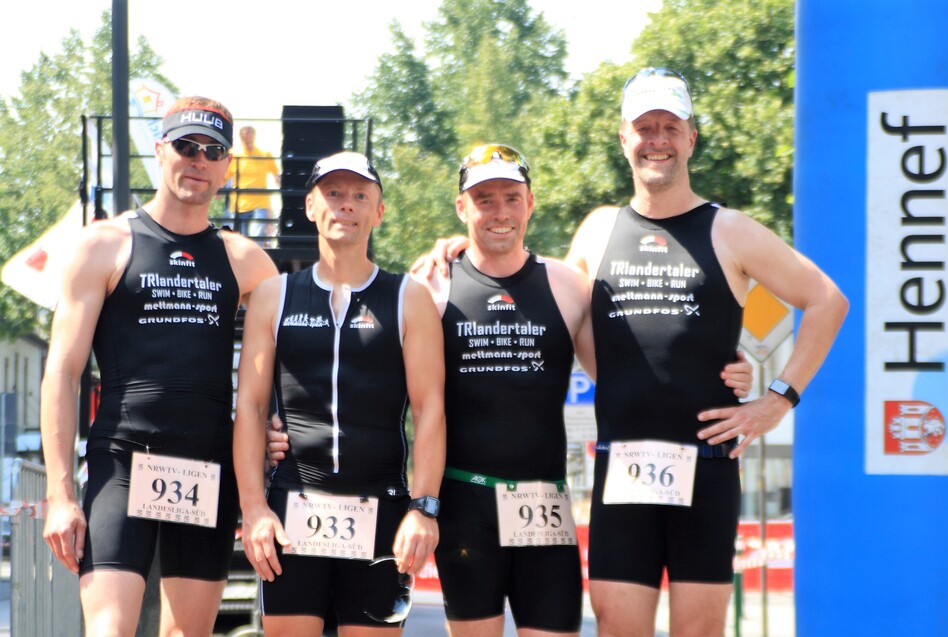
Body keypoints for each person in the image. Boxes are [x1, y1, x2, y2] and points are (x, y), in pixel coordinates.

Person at [269, 144, 755, 636]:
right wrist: (281, 423)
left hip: (545, 511)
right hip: (465, 510)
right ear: (462, 208)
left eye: (510, 198)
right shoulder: (430, 285)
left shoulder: (569, 286)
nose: (498, 212)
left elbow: (636, 363)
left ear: (530, 203)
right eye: (483, 200)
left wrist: (726, 370)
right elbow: (361, 371)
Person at [563, 68, 849, 637]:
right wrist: (462, 251)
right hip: (621, 472)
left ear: (691, 138)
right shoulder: (597, 231)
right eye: (645, 127)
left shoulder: (731, 230)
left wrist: (777, 399)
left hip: (708, 472)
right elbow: (549, 303)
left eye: (671, 126)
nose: (658, 139)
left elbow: (826, 300)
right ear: (624, 138)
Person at [40, 96, 279, 636]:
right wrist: (59, 494)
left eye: (212, 150)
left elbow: (304, 341)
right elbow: (61, 371)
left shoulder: (246, 261)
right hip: (124, 461)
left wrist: (277, 427)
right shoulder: (103, 245)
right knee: (109, 630)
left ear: (226, 166)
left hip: (206, 467)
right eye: (186, 146)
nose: (198, 159)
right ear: (160, 150)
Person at [233, 151, 446, 636]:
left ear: (378, 211)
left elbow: (431, 409)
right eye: (333, 193)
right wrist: (254, 508)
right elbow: (249, 407)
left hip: (381, 509)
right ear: (310, 205)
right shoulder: (275, 295)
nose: (345, 205)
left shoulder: (407, 297)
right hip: (293, 507)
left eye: (359, 195)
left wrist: (423, 507)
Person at [226, 125, 280, 239]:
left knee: (256, 238)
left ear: (254, 137)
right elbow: (223, 177)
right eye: (246, 141)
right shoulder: (233, 155)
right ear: (241, 138)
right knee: (239, 240)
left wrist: (282, 183)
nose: (248, 143)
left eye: (250, 140)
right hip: (239, 204)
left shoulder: (264, 154)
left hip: (260, 204)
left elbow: (277, 174)